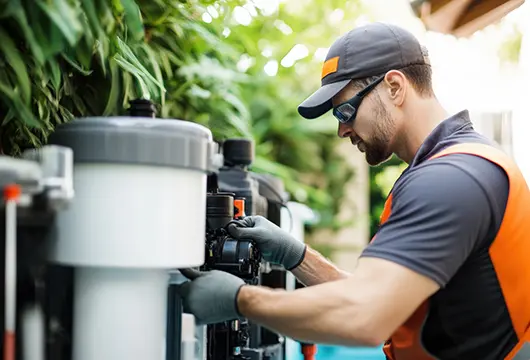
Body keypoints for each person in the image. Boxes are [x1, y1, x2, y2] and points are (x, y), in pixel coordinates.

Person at [177, 22, 530, 360]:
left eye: (346, 110)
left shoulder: (450, 179)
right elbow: (382, 295)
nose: (342, 130)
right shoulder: (462, 163)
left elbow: (365, 315)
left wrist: (240, 300)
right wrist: (294, 255)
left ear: (394, 87)